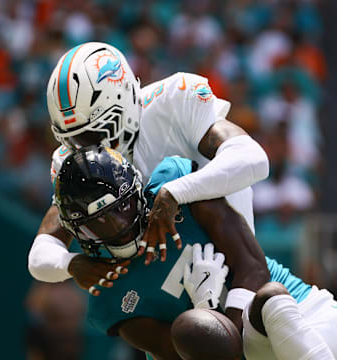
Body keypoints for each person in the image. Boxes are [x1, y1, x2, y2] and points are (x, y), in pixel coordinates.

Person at [42, 145, 337, 359]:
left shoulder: (173, 188)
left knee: (270, 299)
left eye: (124, 205)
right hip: (247, 353)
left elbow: (252, 264)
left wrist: (219, 318)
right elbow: (177, 352)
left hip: (301, 313)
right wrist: (205, 311)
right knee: (191, 328)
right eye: (101, 223)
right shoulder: (107, 295)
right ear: (79, 233)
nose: (121, 224)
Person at [28, 42, 269, 293]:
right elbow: (40, 253)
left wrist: (174, 193)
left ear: (125, 100)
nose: (85, 148)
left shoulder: (172, 102)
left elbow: (252, 157)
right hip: (165, 290)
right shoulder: (73, 159)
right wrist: (71, 263)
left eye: (92, 134)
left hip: (235, 268)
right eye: (73, 139)